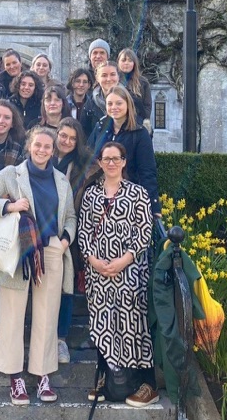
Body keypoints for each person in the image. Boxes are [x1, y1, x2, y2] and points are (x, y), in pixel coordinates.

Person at [0, 126, 76, 406]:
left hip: (51, 250)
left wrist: (65, 240)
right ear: (29, 146)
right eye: (38, 145)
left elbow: (70, 215)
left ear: (53, 150)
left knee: (47, 316)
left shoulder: (60, 180)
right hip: (18, 252)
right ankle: (15, 377)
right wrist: (10, 207)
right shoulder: (11, 174)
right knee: (12, 314)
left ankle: (42, 374)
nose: (43, 150)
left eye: (48, 146)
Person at [77, 141, 158, 408]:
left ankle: (146, 384)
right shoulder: (91, 195)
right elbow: (84, 232)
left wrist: (123, 261)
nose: (111, 163)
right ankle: (108, 377)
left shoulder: (138, 194)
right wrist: (94, 261)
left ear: (124, 162)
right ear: (100, 163)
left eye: (116, 158)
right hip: (98, 272)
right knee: (104, 324)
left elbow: (144, 232)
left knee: (133, 324)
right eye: (106, 159)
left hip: (130, 272)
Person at [52, 117, 96, 364]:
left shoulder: (82, 165)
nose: (66, 141)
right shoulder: (44, 154)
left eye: (72, 138)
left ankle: (61, 340)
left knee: (66, 286)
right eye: (63, 136)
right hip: (43, 229)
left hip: (70, 231)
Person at [87, 86, 161, 217]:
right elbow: (89, 158)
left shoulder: (140, 133)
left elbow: (147, 171)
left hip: (129, 198)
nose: (114, 107)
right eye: (110, 103)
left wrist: (153, 206)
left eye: (119, 103)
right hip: (100, 196)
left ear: (128, 104)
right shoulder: (100, 128)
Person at [79, 61, 120, 138]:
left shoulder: (131, 101)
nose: (108, 79)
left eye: (112, 74)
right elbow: (84, 134)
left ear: (118, 76)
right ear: (97, 78)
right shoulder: (90, 104)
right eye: (104, 75)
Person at [117, 48, 153, 134]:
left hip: (137, 124)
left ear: (134, 63)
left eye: (130, 60)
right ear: (118, 62)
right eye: (123, 60)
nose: (126, 63)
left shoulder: (143, 82)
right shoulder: (114, 81)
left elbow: (147, 106)